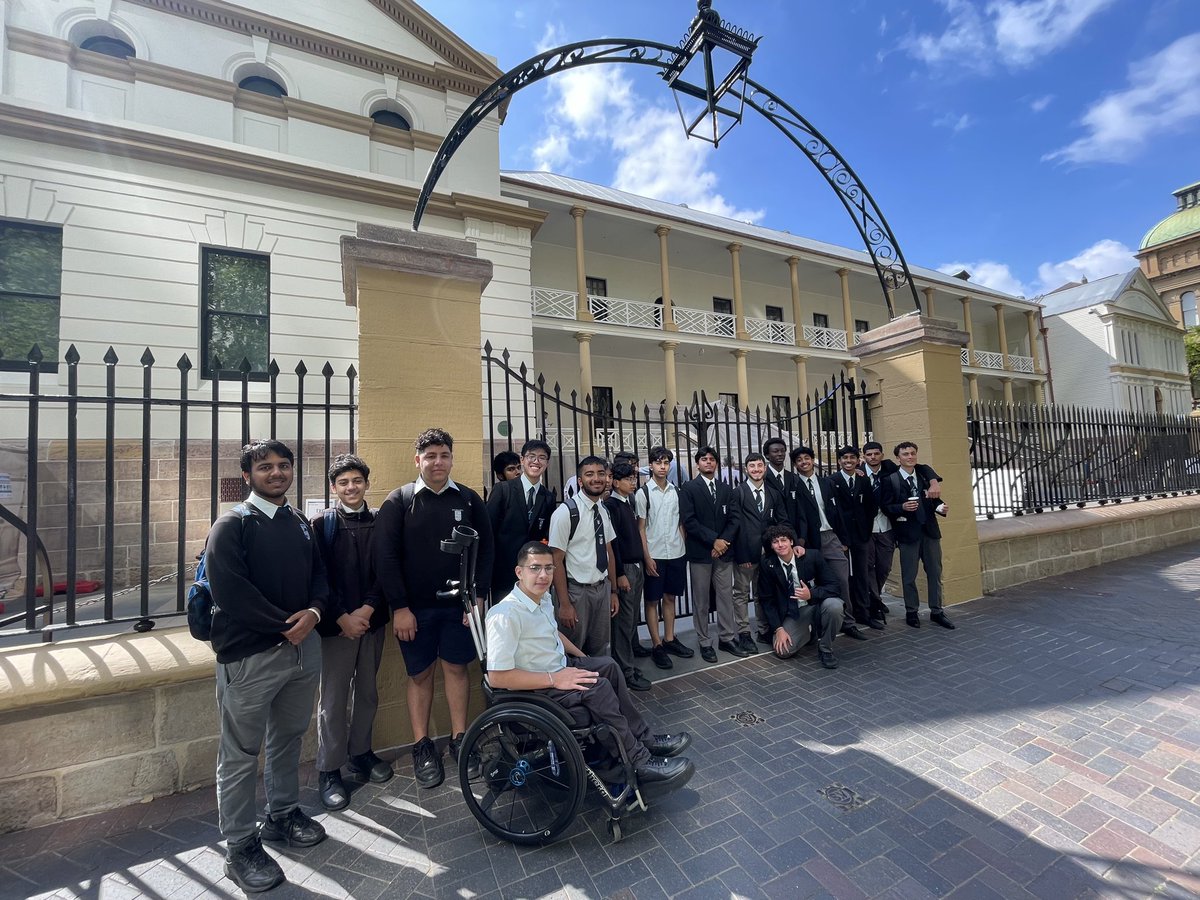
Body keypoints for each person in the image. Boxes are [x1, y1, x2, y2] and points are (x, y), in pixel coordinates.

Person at [206, 439, 328, 894]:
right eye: (265, 467)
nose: (276, 473)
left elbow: (320, 576)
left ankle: (282, 814)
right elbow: (231, 593)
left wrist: (313, 614)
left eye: (283, 465)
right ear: (248, 476)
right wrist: (284, 627)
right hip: (251, 657)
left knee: (288, 738)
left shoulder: (297, 522)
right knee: (240, 754)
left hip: (302, 650)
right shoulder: (232, 525)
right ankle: (239, 846)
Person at [486, 542, 693, 788]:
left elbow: (552, 634)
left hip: (556, 670)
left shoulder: (542, 600)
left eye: (549, 568)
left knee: (609, 666)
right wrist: (555, 679)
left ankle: (643, 738)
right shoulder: (505, 614)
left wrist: (583, 657)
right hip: (537, 688)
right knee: (599, 687)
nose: (543, 575)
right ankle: (639, 761)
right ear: (519, 572)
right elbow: (498, 677)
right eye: (535, 568)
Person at [373, 428, 495, 790]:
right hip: (416, 611)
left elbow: (486, 551)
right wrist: (400, 607)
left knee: (458, 670)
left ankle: (460, 739)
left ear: (452, 459)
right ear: (418, 461)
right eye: (430, 456)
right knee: (420, 675)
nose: (437, 462)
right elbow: (386, 558)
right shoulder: (400, 501)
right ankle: (422, 745)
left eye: (443, 455)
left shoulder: (470, 500)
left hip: (460, 608)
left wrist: (478, 597)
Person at [310, 454, 392, 813]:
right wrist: (342, 616)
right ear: (333, 488)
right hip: (336, 629)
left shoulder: (380, 523)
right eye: (343, 482)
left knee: (368, 692)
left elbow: (386, 571)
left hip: (371, 622)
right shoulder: (322, 525)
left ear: (366, 484)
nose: (351, 487)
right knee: (332, 701)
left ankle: (361, 752)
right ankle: (329, 769)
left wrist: (368, 608)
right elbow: (319, 577)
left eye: (357, 480)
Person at [791, 446, 868, 642]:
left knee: (842, 580)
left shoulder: (827, 483)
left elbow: (839, 512)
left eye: (806, 458)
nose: (803, 462)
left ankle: (848, 622)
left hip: (830, 537)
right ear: (795, 464)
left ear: (813, 460)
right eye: (799, 460)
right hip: (808, 542)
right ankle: (817, 625)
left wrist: (843, 540)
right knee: (809, 585)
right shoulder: (792, 485)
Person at [878, 441, 954, 630]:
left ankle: (937, 611)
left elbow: (933, 499)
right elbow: (885, 506)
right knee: (909, 575)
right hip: (907, 534)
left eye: (912, 453)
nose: (910, 457)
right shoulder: (891, 479)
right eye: (905, 454)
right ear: (898, 458)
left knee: (935, 572)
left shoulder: (923, 474)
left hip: (930, 532)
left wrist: (940, 507)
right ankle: (911, 611)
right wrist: (901, 507)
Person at [548, 455, 618, 657]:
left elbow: (609, 552)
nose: (596, 478)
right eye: (589, 474)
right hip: (576, 593)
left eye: (601, 474)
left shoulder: (602, 510)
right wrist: (565, 604)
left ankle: (596, 687)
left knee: (599, 648)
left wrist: (612, 591)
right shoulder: (566, 513)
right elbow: (556, 561)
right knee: (573, 650)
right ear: (580, 481)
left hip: (601, 589)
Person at [679, 446, 743, 662]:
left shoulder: (726, 489)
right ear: (697, 464)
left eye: (712, 459)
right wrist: (713, 541)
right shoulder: (689, 488)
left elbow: (735, 519)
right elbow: (689, 521)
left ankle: (727, 637)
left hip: (723, 552)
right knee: (701, 599)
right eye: (704, 459)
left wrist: (722, 542)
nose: (708, 462)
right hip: (701, 553)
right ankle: (704, 641)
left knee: (725, 596)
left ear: (717, 463)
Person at [636, 446, 693, 670]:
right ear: (650, 465)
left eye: (666, 463)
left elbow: (681, 522)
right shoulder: (644, 493)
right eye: (658, 462)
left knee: (670, 598)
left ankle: (670, 638)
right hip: (655, 554)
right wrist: (647, 557)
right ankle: (657, 644)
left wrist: (682, 544)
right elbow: (641, 527)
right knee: (652, 600)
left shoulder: (676, 491)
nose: (662, 466)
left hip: (676, 553)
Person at [757, 524, 845, 669]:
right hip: (794, 613)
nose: (780, 545)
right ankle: (810, 632)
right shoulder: (768, 564)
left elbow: (834, 586)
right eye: (775, 542)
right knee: (783, 651)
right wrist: (778, 629)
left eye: (783, 540)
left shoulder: (812, 556)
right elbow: (767, 600)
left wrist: (811, 594)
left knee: (835, 607)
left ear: (791, 541)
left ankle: (825, 648)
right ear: (771, 546)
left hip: (816, 604)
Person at [602, 461, 652, 691]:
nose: (633, 483)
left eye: (634, 478)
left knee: (631, 620)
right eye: (628, 479)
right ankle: (625, 671)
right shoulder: (611, 505)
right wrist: (619, 573)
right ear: (615, 482)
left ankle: (628, 663)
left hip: (637, 566)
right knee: (623, 622)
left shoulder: (627, 502)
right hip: (626, 570)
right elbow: (614, 545)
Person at [487, 439, 556, 600]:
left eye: (542, 457)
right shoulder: (503, 490)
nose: (536, 461)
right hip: (504, 575)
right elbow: (488, 532)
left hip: (534, 577)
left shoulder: (548, 497)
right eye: (531, 456)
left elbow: (546, 536)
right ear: (522, 459)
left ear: (546, 463)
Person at [731, 452, 783, 653]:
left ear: (765, 468)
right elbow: (735, 525)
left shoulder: (773, 493)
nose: (756, 470)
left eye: (760, 466)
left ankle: (764, 629)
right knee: (741, 594)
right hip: (746, 554)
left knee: (764, 593)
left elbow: (780, 520)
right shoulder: (738, 493)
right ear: (746, 469)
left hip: (767, 554)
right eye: (752, 466)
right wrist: (741, 554)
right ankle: (744, 633)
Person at [828, 446, 877, 631]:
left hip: (861, 535)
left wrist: (866, 530)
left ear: (858, 460)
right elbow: (832, 510)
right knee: (842, 577)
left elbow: (871, 506)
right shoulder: (832, 481)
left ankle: (863, 613)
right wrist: (840, 537)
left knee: (862, 574)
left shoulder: (863, 480)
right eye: (845, 458)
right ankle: (845, 616)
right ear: (839, 460)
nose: (848, 460)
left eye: (852, 458)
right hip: (841, 536)